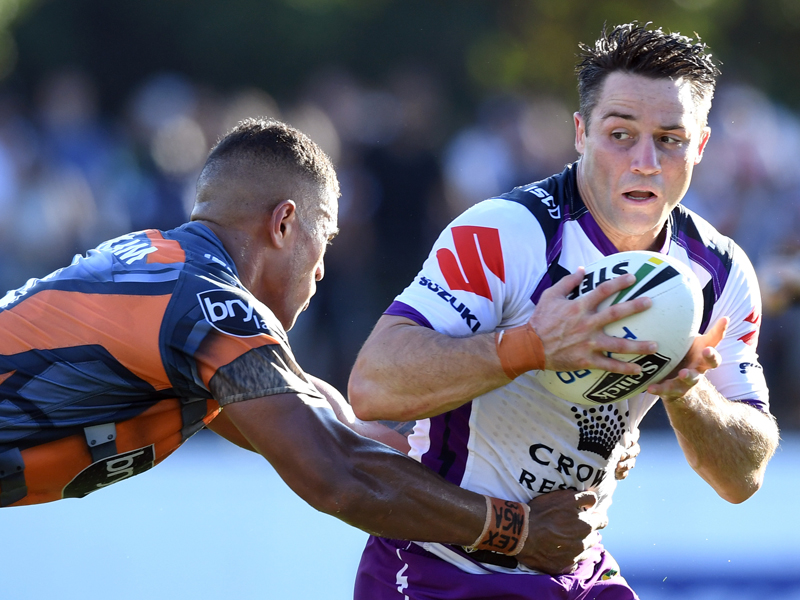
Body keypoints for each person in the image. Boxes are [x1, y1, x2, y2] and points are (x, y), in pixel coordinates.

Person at [0, 117, 618, 570]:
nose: (322, 269)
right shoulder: (208, 305)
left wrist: (543, 444)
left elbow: (337, 428)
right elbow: (337, 475)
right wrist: (515, 530)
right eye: (325, 238)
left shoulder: (170, 273)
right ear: (284, 223)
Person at [348, 23, 780, 599]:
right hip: (442, 568)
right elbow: (372, 386)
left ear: (700, 146)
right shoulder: (508, 233)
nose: (645, 162)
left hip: (575, 569)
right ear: (580, 133)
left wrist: (687, 392)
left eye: (670, 139)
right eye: (620, 134)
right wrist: (529, 347)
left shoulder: (719, 272)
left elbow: (743, 477)